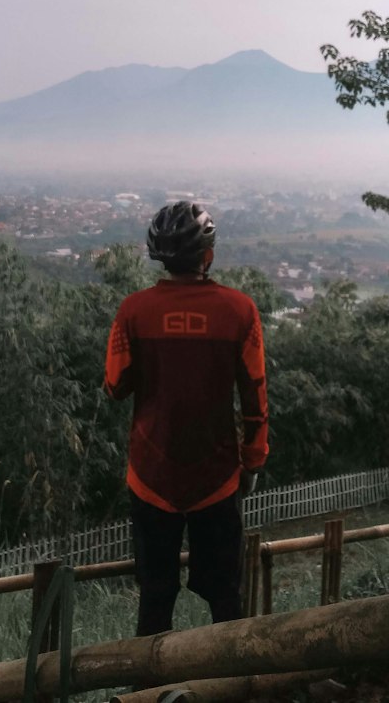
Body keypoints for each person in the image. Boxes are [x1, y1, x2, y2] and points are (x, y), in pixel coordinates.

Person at [104, 201, 269, 636]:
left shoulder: (133, 312)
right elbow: (255, 395)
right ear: (208, 256)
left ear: (159, 256)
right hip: (217, 475)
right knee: (226, 597)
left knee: (155, 595)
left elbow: (115, 385)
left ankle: (148, 691)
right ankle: (231, 683)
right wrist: (253, 459)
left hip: (150, 473)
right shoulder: (240, 311)